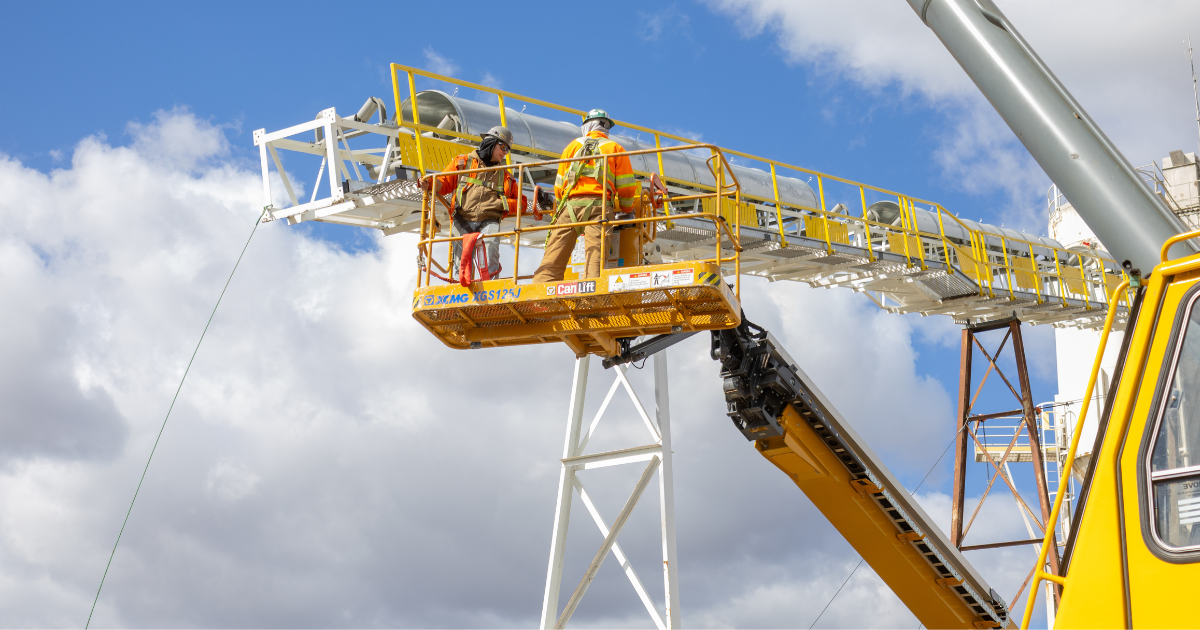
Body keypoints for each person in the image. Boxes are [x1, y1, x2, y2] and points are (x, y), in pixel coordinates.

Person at [531, 109, 638, 283]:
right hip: (599, 207)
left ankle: (540, 296)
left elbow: (559, 186)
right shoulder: (615, 149)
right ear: (606, 127)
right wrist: (626, 208)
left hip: (569, 207)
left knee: (553, 256)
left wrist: (559, 209)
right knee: (594, 258)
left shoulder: (572, 147)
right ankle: (590, 302)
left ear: (587, 125)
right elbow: (626, 188)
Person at [419, 126, 522, 281]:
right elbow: (444, 182)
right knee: (461, 262)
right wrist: (429, 184)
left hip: (489, 220)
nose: (504, 153)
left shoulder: (505, 175)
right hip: (462, 219)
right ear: (491, 142)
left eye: (507, 150)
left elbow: (521, 202)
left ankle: (492, 292)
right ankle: (459, 293)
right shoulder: (463, 163)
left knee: (491, 250)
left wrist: (500, 204)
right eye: (503, 147)